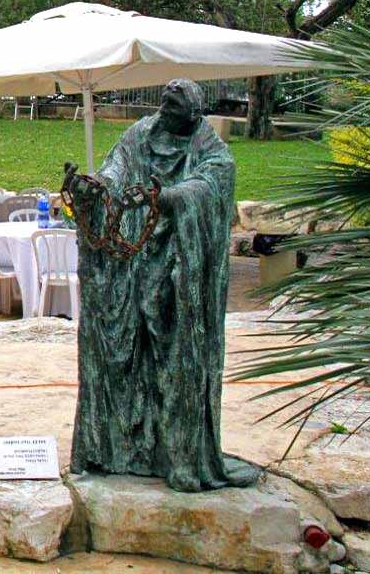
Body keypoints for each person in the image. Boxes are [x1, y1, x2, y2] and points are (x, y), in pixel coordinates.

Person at [66, 78, 259, 492]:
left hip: (179, 265)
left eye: (175, 111)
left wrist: (167, 197)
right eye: (164, 108)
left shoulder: (212, 151)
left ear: (194, 115)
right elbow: (116, 169)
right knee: (122, 349)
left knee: (177, 359)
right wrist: (95, 187)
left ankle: (178, 455)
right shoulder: (140, 134)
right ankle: (120, 449)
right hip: (133, 263)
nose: (165, 116)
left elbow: (209, 187)